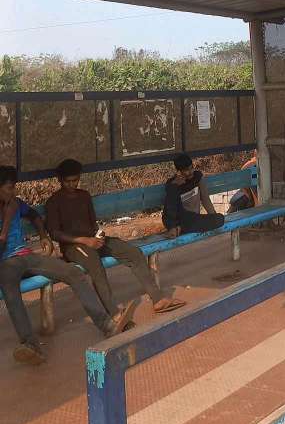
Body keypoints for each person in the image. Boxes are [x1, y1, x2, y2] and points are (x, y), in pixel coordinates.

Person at [0, 165, 136, 366]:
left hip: (27, 257)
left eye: (14, 187)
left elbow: (34, 215)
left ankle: (107, 325)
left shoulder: (16, 203)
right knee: (11, 293)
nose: (13, 192)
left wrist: (43, 235)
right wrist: (7, 220)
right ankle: (30, 345)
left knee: (73, 273)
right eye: (9, 188)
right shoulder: (10, 208)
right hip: (6, 264)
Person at [46, 159, 185, 318]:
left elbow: (93, 224)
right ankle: (114, 313)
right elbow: (55, 234)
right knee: (95, 265)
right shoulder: (54, 202)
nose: (72, 184)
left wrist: (99, 235)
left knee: (133, 253)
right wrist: (85, 240)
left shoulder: (84, 196)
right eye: (68, 181)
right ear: (60, 180)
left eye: (75, 180)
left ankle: (158, 300)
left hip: (93, 240)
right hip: (73, 246)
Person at [162, 153, 225, 237]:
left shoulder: (197, 177)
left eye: (191, 168)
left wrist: (213, 216)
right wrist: (175, 186)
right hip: (179, 219)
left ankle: (180, 229)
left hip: (193, 218)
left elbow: (205, 200)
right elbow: (170, 208)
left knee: (220, 219)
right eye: (186, 170)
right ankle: (175, 229)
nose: (190, 172)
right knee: (189, 221)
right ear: (179, 171)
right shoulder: (172, 184)